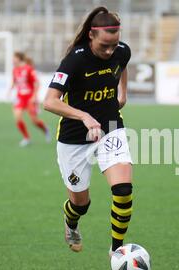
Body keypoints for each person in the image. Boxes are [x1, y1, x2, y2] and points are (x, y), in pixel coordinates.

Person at [43, 6, 132, 256]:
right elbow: (49, 101)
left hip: (111, 127)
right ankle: (71, 223)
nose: (109, 51)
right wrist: (84, 115)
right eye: (104, 45)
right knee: (81, 204)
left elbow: (122, 64)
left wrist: (122, 92)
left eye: (113, 45)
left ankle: (117, 251)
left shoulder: (121, 51)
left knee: (123, 191)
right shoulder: (75, 60)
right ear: (91, 35)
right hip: (74, 137)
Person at [8, 52, 50, 147]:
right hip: (20, 97)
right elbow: (14, 82)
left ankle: (45, 129)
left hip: (30, 98)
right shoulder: (14, 70)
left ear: (19, 58)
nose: (12, 60)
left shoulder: (29, 69)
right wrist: (10, 90)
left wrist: (34, 96)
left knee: (34, 121)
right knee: (17, 117)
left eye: (14, 58)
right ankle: (26, 138)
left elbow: (37, 83)